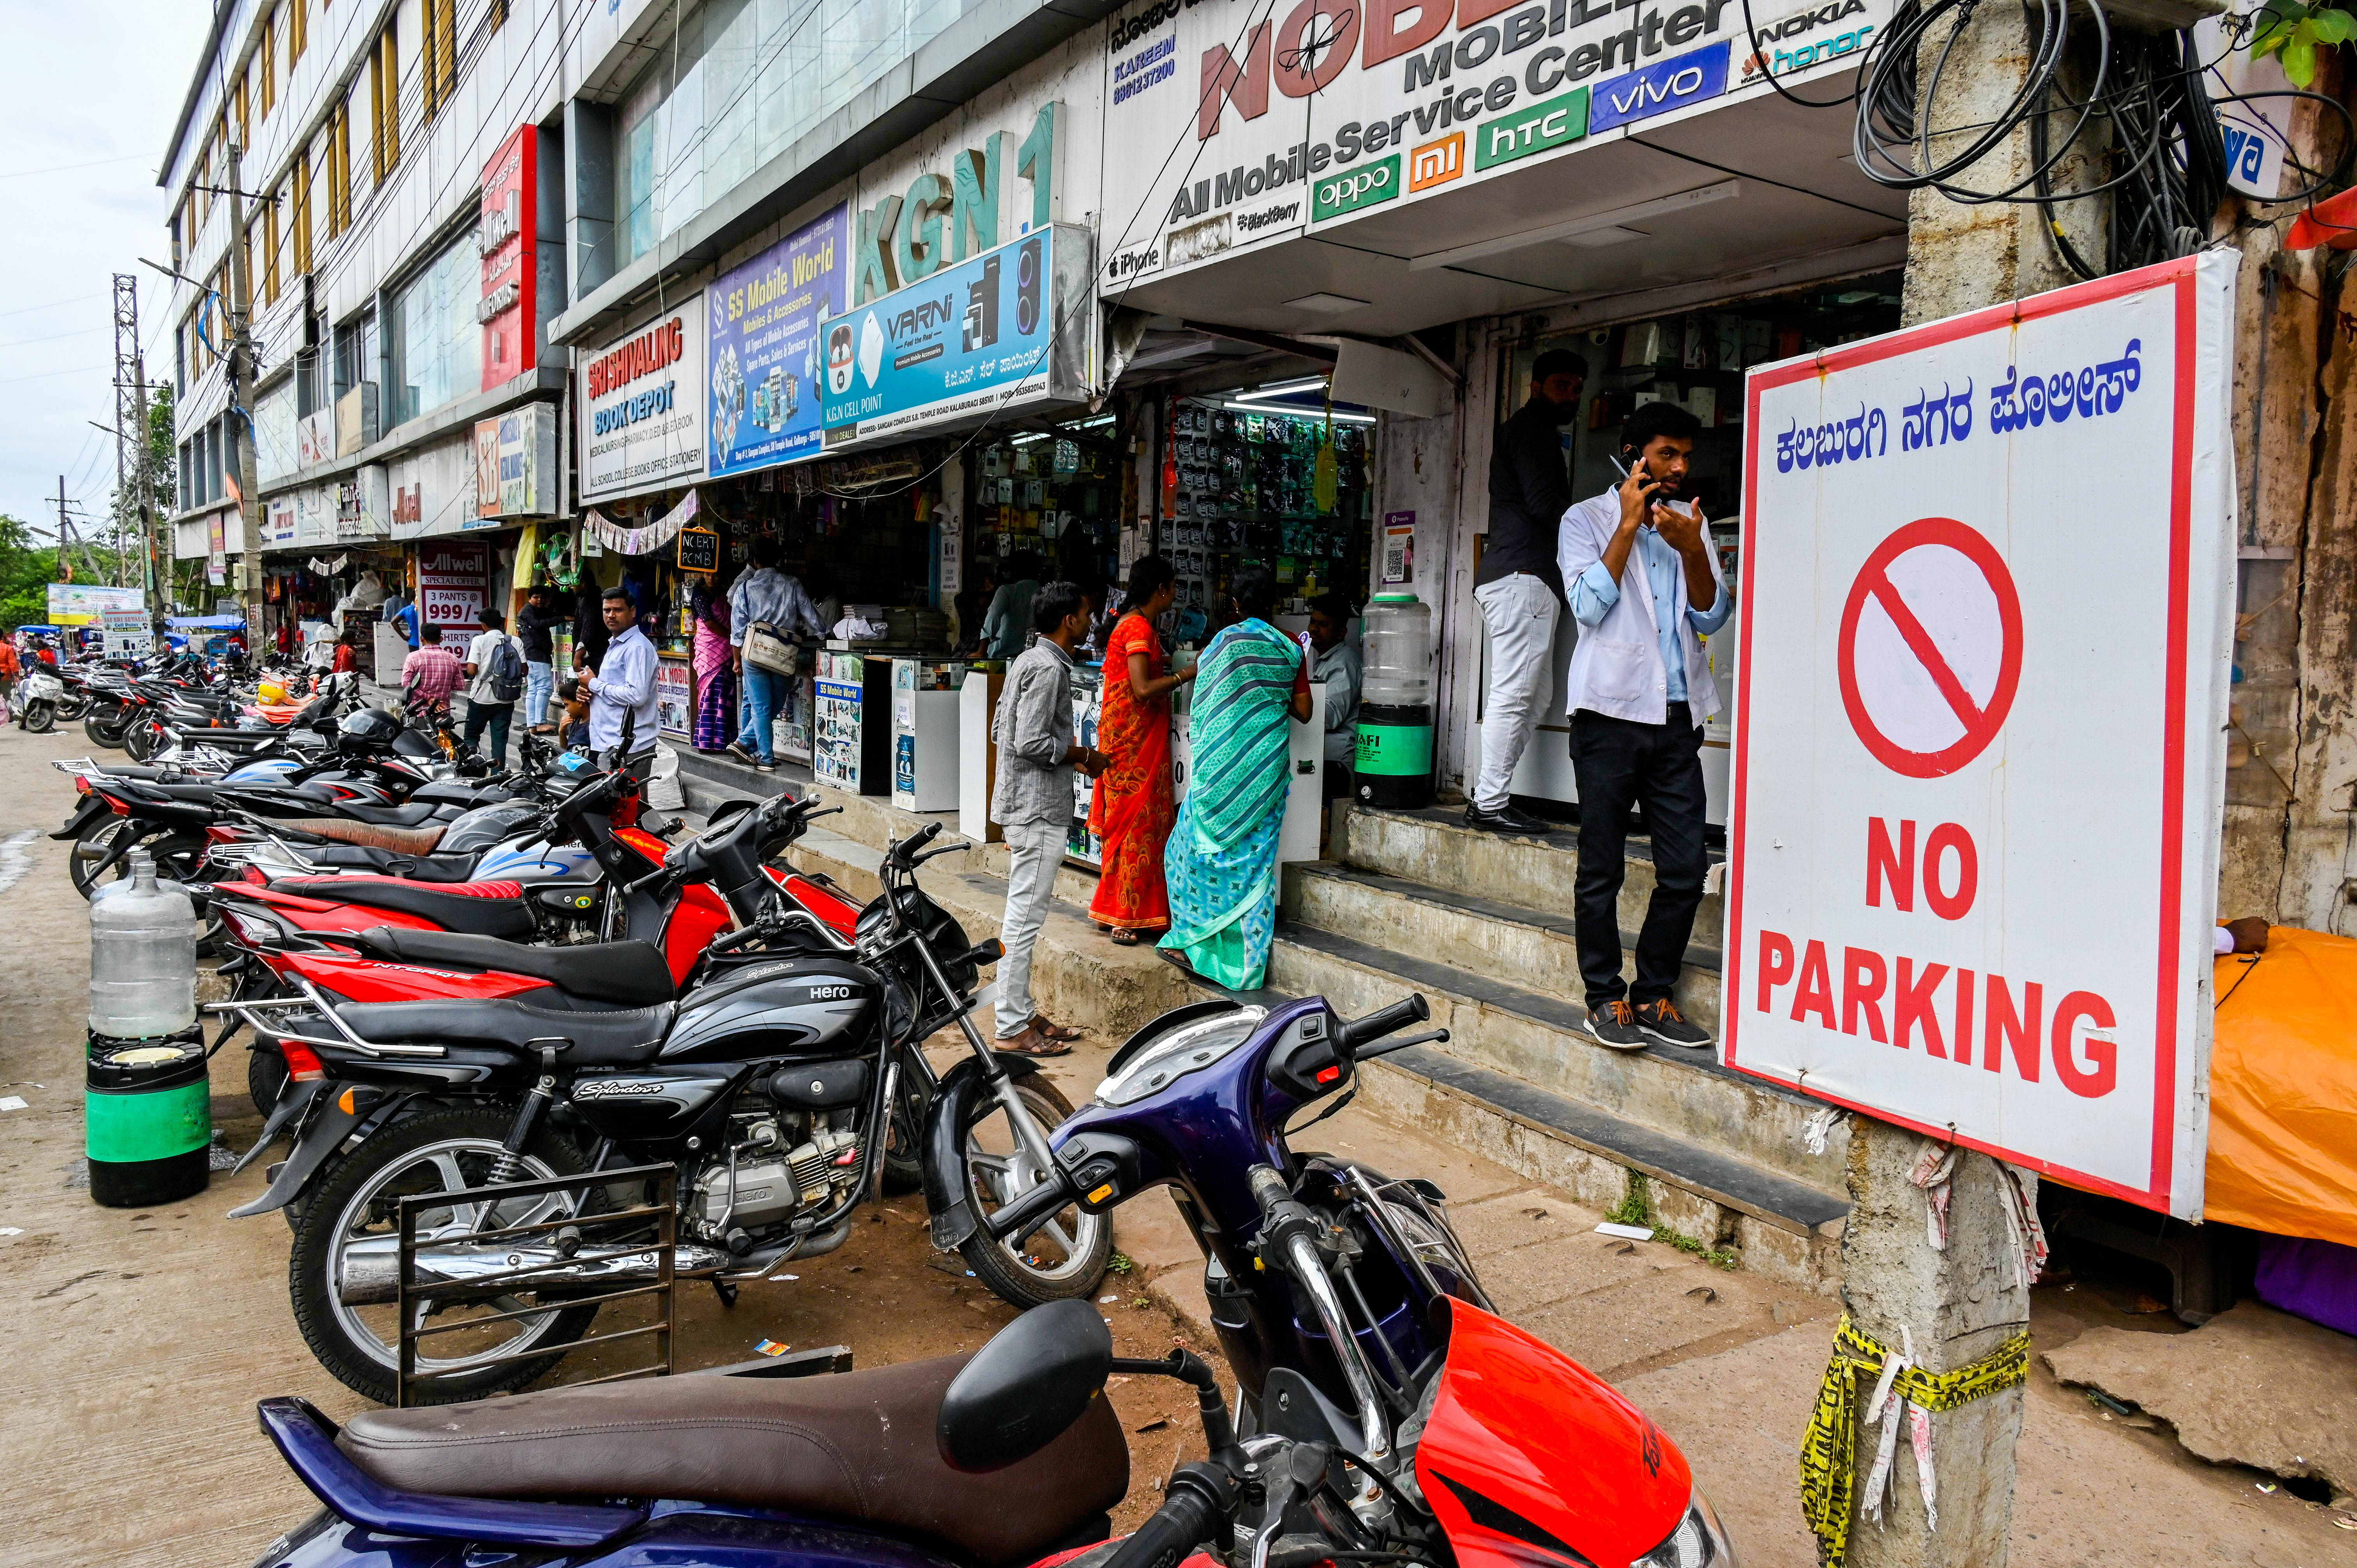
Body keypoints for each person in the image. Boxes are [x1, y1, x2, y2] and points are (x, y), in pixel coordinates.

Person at [1556, 399, 1731, 1051]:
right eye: (1666, 454)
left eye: (1685, 455)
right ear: (1633, 455)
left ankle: (1655, 993)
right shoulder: (1584, 519)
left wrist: (1691, 550)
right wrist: (1627, 525)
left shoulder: (1691, 521)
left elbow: (1712, 618)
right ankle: (1603, 997)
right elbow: (1586, 606)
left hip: (1676, 717)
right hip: (1607, 713)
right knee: (1600, 867)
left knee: (1685, 866)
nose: (1680, 467)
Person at [1159, 567, 1313, 991]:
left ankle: (1193, 944)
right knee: (1255, 868)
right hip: (1264, 774)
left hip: (1219, 777)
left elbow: (1205, 708)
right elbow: (1304, 711)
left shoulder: (1218, 646)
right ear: (1275, 603)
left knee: (1183, 854)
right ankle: (1243, 963)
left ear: (1236, 605)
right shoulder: (1289, 648)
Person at [1470, 348, 1587, 833]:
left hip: (1519, 577)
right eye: (1562, 385)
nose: (1572, 396)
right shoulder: (1533, 429)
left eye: (1578, 388)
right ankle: (1490, 803)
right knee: (1515, 695)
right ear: (1536, 386)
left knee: (1534, 697)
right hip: (1523, 577)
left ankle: (1489, 795)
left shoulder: (1529, 429)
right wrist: (1596, 526)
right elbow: (1544, 504)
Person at [992, 581, 1106, 1058]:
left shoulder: (1026, 660)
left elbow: (1005, 730)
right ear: (1069, 621)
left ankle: (1021, 1011)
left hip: (1024, 804)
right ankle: (1011, 1024)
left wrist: (1064, 757)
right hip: (1038, 810)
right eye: (1085, 613)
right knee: (1024, 919)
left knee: (1023, 916)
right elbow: (1029, 742)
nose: (1089, 622)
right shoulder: (1049, 671)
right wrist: (1081, 753)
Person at [1088, 555, 1194, 946]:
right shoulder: (1136, 627)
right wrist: (1186, 674)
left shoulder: (1134, 624)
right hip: (1133, 747)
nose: (1174, 595)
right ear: (1162, 589)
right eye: (1172, 587)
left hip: (1133, 740)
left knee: (1142, 827)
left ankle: (1127, 910)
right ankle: (1126, 916)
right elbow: (1142, 689)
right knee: (1137, 827)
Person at [725, 539, 825, 772]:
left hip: (754, 652)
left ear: (753, 561)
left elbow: (737, 631)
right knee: (776, 703)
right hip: (784, 653)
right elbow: (812, 616)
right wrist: (825, 633)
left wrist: (737, 660)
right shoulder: (792, 584)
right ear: (778, 559)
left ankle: (756, 751)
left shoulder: (745, 588)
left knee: (761, 706)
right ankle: (758, 752)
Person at [1307, 592, 1361, 802]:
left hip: (1333, 764)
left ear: (1341, 633)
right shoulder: (1319, 659)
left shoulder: (1344, 663)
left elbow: (1327, 716)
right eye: (1312, 621)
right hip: (1316, 758)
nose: (1313, 629)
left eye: (1323, 625)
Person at [461, 610, 524, 767]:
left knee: (471, 737)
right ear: (502, 624)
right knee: (500, 742)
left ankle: (474, 770)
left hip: (481, 698)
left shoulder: (480, 641)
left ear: (483, 625)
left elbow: (472, 670)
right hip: (506, 699)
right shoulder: (516, 641)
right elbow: (525, 670)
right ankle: (498, 778)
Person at [689, 578, 736, 753]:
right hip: (710, 648)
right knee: (711, 690)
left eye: (714, 574)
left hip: (726, 649)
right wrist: (732, 636)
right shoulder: (699, 594)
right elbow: (708, 622)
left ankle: (724, 740)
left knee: (725, 693)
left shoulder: (725, 593)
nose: (711, 578)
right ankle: (708, 741)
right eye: (708, 574)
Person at [516, 583, 567, 731]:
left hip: (533, 655)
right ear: (530, 598)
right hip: (536, 655)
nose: (539, 600)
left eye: (542, 597)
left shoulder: (537, 611)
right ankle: (540, 723)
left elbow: (547, 616)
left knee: (534, 690)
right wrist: (562, 618)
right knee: (544, 688)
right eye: (535, 597)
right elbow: (538, 624)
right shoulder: (527, 612)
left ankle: (532, 724)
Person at [977, 553, 1041, 661]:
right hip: (1032, 657)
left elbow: (993, 618)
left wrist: (981, 651)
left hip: (1001, 655)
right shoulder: (1044, 592)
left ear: (1014, 571)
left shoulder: (1007, 591)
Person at [399, 622, 465, 726]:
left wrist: (428, 698)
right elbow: (460, 686)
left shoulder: (413, 658)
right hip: (443, 714)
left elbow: (407, 684)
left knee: (421, 742)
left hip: (420, 712)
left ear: (422, 638)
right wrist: (444, 684)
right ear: (441, 639)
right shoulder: (453, 659)